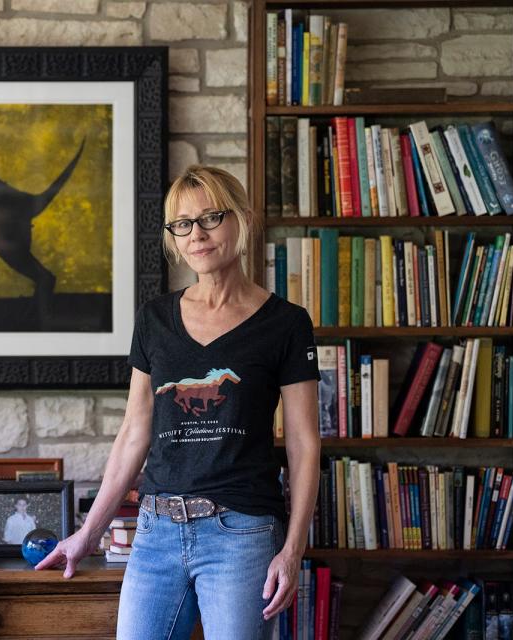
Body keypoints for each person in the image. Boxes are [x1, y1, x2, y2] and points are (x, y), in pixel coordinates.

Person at [36, 166, 321, 640]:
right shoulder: (154, 319)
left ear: (241, 219)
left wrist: (293, 550)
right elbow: (133, 434)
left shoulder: (286, 323)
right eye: (182, 224)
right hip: (156, 533)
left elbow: (304, 443)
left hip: (242, 533)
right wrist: (88, 533)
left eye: (210, 217)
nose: (197, 235)